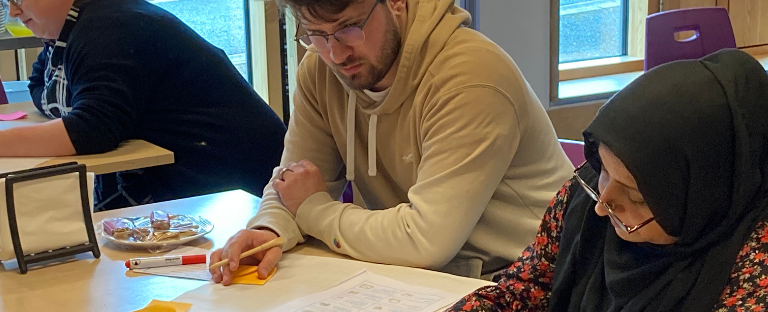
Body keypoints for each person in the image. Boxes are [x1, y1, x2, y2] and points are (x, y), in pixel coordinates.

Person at [209, 0, 573, 284]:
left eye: (349, 29)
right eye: (315, 35)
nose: (336, 54)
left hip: (526, 279)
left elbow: (426, 241)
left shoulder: (472, 78)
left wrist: (313, 211)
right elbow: (295, 182)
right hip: (420, 277)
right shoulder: (320, 72)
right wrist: (269, 230)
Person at [447, 49, 768, 311]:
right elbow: (526, 289)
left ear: (704, 198)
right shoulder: (584, 196)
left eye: (638, 197)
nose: (603, 205)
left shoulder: (757, 261)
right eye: (602, 168)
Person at [0, 0, 286, 210]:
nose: (13, 11)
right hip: (197, 173)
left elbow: (94, 130)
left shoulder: (108, 27)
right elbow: (41, 86)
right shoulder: (73, 27)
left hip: (234, 185)